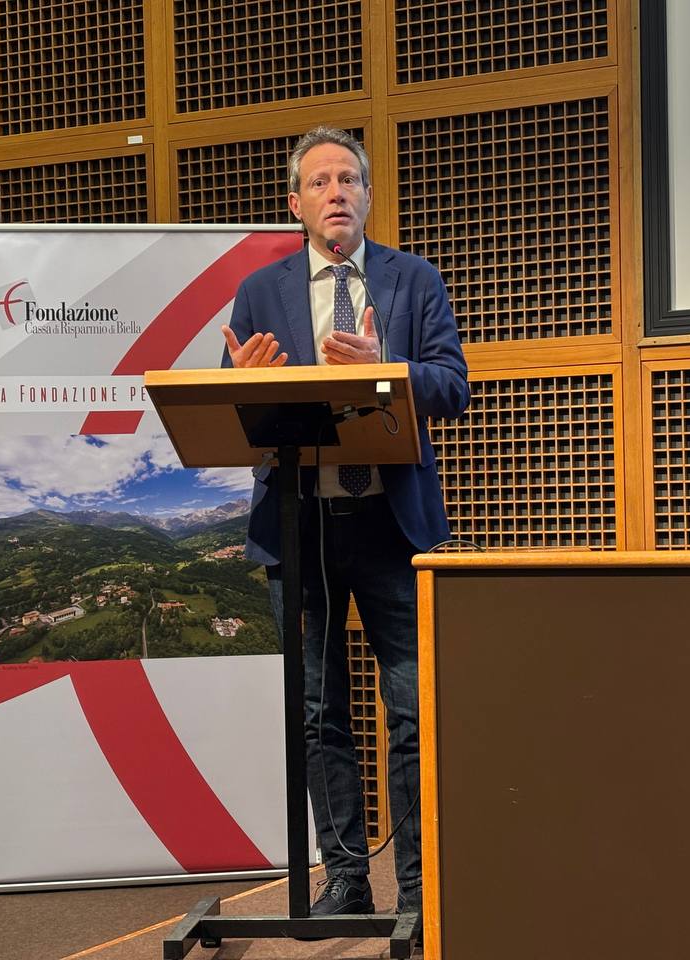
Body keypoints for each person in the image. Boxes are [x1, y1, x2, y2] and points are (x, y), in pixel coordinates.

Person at [221, 126, 469, 917]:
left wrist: (387, 371)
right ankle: (347, 880)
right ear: (295, 203)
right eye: (320, 181)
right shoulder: (260, 291)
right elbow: (231, 408)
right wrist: (242, 385)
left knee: (413, 710)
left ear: (367, 195)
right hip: (300, 525)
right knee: (320, 712)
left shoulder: (412, 279)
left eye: (349, 179)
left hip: (393, 526)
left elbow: (452, 385)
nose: (337, 192)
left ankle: (421, 891)